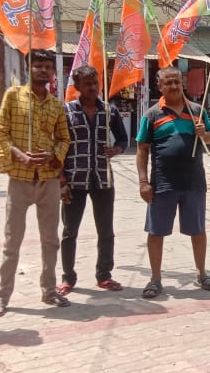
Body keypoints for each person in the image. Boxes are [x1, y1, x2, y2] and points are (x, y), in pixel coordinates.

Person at [0, 50, 71, 317]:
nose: (43, 70)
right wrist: (19, 155)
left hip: (48, 180)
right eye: (38, 65)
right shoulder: (13, 96)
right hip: (20, 179)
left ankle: (49, 290)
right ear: (29, 68)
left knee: (50, 240)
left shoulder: (56, 105)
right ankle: (2, 296)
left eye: (47, 66)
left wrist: (53, 156)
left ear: (53, 72)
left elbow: (64, 138)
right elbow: (1, 132)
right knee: (12, 241)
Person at [136, 66, 210, 299]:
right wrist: (143, 182)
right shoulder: (152, 114)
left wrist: (204, 133)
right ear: (159, 86)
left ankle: (202, 274)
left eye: (177, 82)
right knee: (156, 232)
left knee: (198, 230)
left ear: (182, 83)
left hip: (194, 182)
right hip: (162, 184)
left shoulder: (197, 111)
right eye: (168, 82)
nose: (173, 86)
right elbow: (142, 149)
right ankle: (155, 279)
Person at [56, 66, 130, 296]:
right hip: (74, 180)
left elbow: (124, 139)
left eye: (95, 83)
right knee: (69, 231)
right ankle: (68, 277)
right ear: (77, 86)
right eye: (87, 84)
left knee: (106, 231)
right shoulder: (66, 111)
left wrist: (116, 149)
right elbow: (57, 145)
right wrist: (61, 180)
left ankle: (104, 275)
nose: (92, 88)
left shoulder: (109, 111)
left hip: (102, 179)